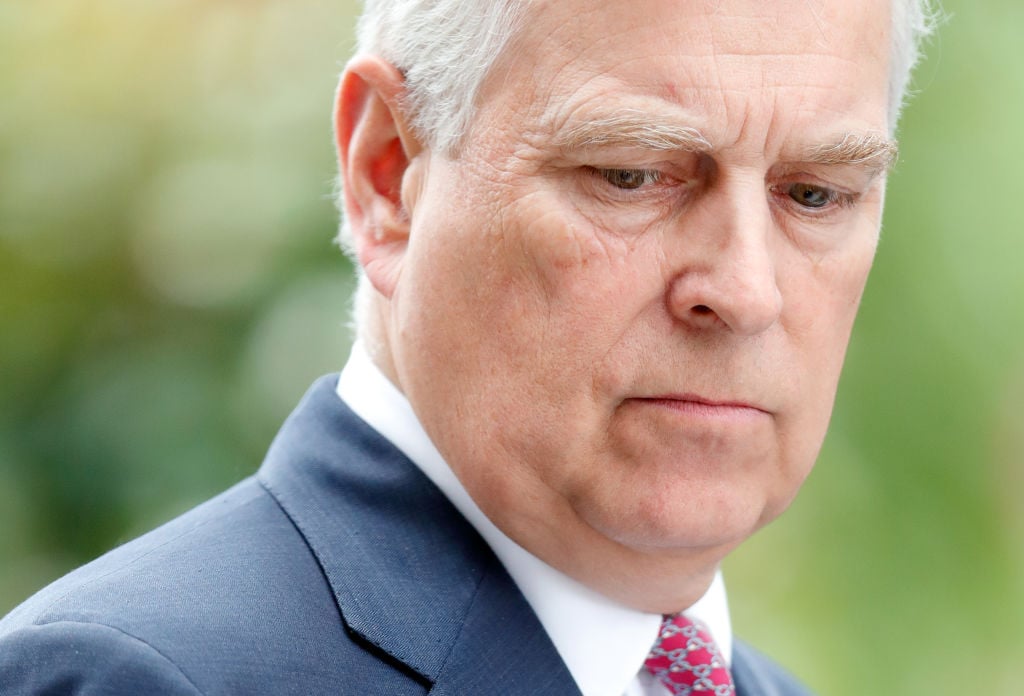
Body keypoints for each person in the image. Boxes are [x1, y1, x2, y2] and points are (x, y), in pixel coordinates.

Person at [0, 1, 936, 694]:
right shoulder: (145, 678)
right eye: (632, 174)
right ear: (389, 175)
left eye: (815, 194)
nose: (744, 290)